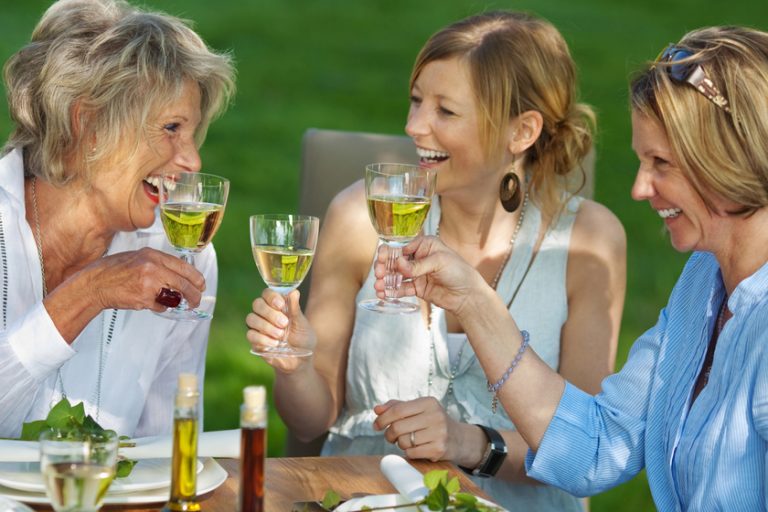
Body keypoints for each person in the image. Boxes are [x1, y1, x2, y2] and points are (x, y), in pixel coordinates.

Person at [375, 25, 768, 510]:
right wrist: (471, 300)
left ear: (731, 161)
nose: (640, 189)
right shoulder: (703, 283)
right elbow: (599, 446)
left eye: (661, 163)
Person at [247, 10, 625, 510]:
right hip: (364, 497)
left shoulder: (589, 242)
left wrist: (467, 440)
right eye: (416, 100)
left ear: (522, 132)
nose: (414, 126)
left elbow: (585, 443)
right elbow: (309, 420)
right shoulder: (361, 217)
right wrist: (293, 366)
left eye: (446, 111)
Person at [0, 0, 234, 438]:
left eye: (192, 131)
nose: (192, 159)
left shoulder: (180, 254)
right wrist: (89, 293)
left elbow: (169, 446)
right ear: (88, 124)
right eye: (170, 128)